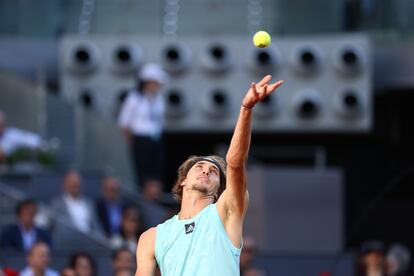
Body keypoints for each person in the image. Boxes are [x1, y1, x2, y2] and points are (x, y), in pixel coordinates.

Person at [135, 75, 283, 275]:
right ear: (184, 181)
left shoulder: (225, 212)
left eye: (214, 172)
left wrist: (246, 110)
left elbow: (235, 163)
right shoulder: (152, 237)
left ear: (219, 189)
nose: (206, 170)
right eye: (199, 167)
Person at [118, 63, 169, 188]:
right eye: (155, 83)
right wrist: (132, 142)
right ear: (147, 82)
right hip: (140, 139)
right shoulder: (134, 98)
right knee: (142, 171)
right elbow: (124, 123)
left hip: (155, 138)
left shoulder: (158, 99)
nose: (157, 86)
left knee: (156, 170)